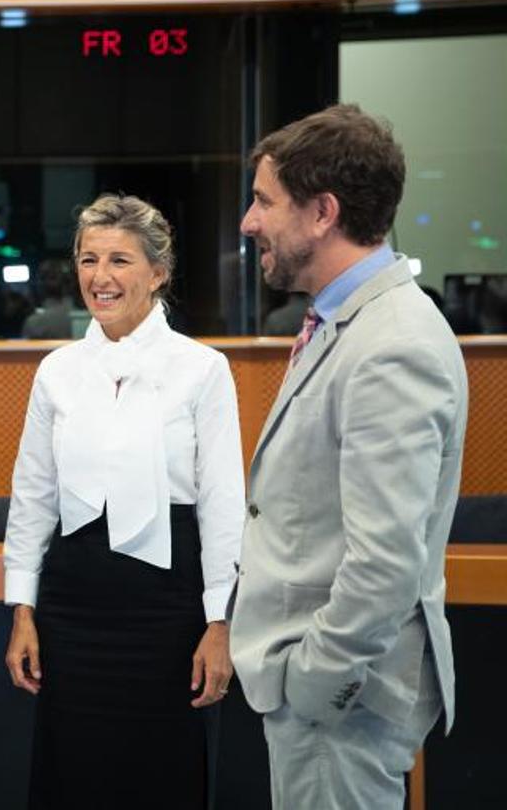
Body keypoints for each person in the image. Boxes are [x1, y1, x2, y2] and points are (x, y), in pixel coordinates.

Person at [229, 104, 467, 809]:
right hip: (328, 704)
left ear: (322, 212)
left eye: (265, 201)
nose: (249, 222)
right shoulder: (346, 321)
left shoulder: (393, 344)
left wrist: (314, 685)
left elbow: (385, 563)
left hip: (341, 708)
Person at [3, 193, 245, 809]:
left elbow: (223, 502)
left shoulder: (203, 369)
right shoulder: (57, 370)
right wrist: (22, 609)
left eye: (119, 260)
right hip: (72, 602)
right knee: (70, 773)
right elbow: (33, 495)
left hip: (167, 605)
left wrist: (220, 622)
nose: (100, 277)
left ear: (158, 273)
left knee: (160, 775)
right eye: (88, 260)